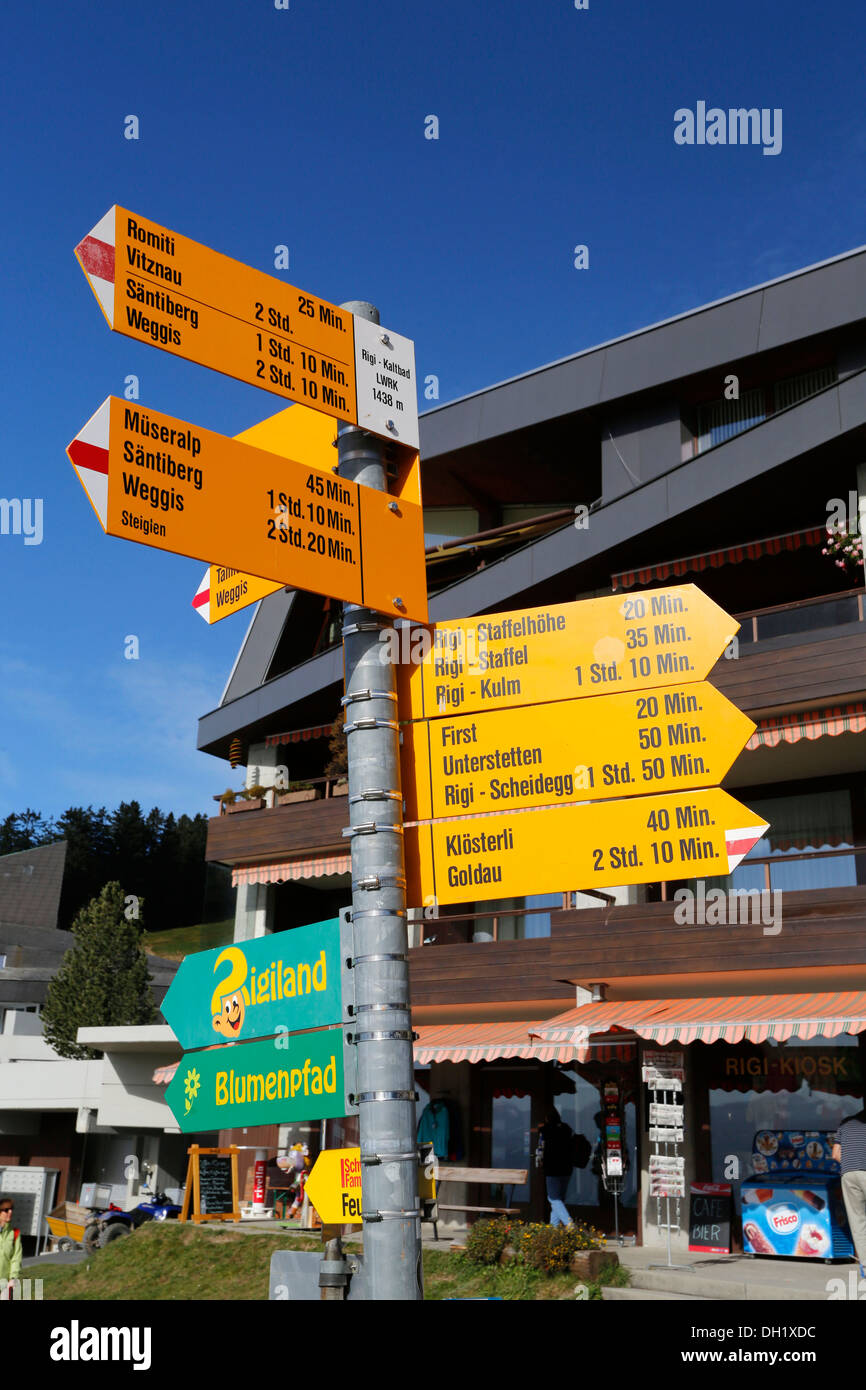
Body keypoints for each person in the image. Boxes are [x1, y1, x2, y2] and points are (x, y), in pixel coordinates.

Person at [832, 1108, 866, 1276]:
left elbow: (835, 1154)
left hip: (848, 1174)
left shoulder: (846, 1123)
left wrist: (852, 1164)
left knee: (858, 1221)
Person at [537, 1107, 574, 1227]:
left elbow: (540, 1148)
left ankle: (569, 1224)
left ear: (547, 1119)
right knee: (558, 1200)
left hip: (552, 1168)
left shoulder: (545, 1130)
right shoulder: (566, 1129)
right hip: (567, 1168)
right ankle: (553, 1230)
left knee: (554, 1199)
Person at [0, 1199, 22, 1299]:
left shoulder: (15, 1233)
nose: (10, 1212)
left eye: (11, 1209)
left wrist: (13, 1278)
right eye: (6, 1210)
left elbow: (16, 1258)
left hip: (5, 1283)